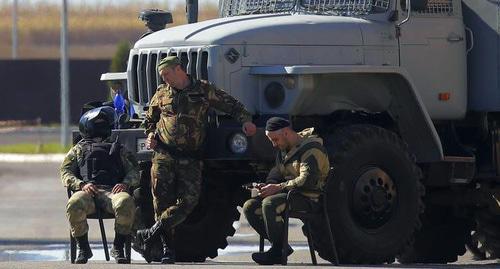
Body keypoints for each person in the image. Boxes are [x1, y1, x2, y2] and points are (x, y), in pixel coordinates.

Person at [135, 56, 257, 264]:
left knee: (189, 201)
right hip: (163, 155)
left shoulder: (203, 89)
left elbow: (233, 105)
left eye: (166, 75)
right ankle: (167, 250)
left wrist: (246, 122)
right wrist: (150, 134)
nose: (165, 80)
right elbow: (149, 119)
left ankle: (153, 231)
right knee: (161, 203)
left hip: (190, 158)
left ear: (179, 70)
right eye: (162, 76)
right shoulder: (162, 93)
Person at [243, 117, 330, 265]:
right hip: (293, 195)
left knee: (270, 204)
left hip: (310, 198)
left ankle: (278, 251)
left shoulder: (311, 149)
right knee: (250, 206)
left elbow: (307, 180)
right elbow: (276, 175)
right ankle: (282, 246)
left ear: (286, 133)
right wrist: (266, 186)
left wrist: (278, 188)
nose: (273, 144)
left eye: (275, 139)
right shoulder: (284, 151)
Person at [61, 106, 140, 264]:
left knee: (125, 202)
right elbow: (65, 172)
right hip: (88, 192)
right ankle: (83, 248)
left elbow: (134, 172)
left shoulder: (119, 150)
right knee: (74, 203)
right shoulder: (78, 150)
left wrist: (125, 184)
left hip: (112, 192)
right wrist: (81, 184)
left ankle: (118, 246)